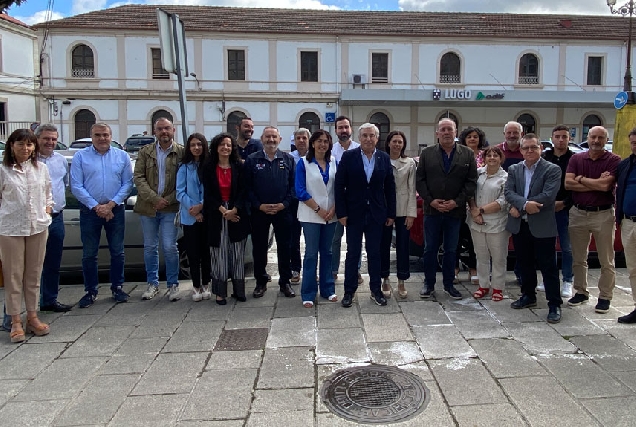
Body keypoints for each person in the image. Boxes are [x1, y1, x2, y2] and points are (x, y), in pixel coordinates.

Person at [70, 123, 133, 308]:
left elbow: (127, 184)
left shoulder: (122, 156)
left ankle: (118, 288)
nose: (102, 138)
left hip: (116, 209)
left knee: (118, 251)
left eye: (105, 135)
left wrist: (111, 205)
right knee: (89, 254)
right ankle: (90, 291)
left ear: (111, 136)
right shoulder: (80, 157)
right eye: (97, 135)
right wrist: (97, 206)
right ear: (92, 137)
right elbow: (76, 186)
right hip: (90, 211)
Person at [335, 123, 396, 308]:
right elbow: (339, 186)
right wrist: (342, 212)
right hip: (354, 213)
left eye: (372, 136)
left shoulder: (384, 158)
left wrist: (391, 213)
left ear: (377, 138)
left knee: (375, 253)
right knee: (353, 253)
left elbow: (390, 188)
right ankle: (349, 291)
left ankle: (375, 291)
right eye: (365, 136)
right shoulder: (349, 156)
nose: (368, 139)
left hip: (377, 213)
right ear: (359, 138)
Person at [0, 129, 52, 342]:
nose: (25, 148)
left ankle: (32, 316)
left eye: (29, 145)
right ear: (11, 146)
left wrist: (47, 211)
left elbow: (48, 194)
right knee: (13, 277)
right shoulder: (3, 170)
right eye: (21, 144)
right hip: (11, 228)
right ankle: (15, 322)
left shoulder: (41, 169)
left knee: (33, 275)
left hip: (37, 226)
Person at [416, 118, 477, 300]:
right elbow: (420, 180)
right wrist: (431, 200)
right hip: (432, 210)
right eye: (442, 129)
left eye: (449, 129)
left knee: (451, 250)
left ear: (456, 132)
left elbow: (471, 182)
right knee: (430, 249)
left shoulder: (467, 154)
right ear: (437, 133)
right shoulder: (427, 153)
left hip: (455, 211)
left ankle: (449, 284)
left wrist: (456, 202)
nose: (446, 132)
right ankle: (429, 284)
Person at [505, 134, 563, 323]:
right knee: (524, 263)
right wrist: (524, 205)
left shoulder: (552, 169)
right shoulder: (514, 169)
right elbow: (508, 192)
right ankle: (528, 295)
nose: (529, 151)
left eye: (533, 147)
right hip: (521, 224)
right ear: (521, 150)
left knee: (548, 266)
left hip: (542, 225)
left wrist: (526, 205)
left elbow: (548, 194)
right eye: (526, 148)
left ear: (540, 149)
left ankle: (554, 304)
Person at [565, 126, 621, 314]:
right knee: (579, 258)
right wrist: (595, 182)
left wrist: (581, 179)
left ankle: (605, 297)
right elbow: (568, 183)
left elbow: (606, 187)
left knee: (606, 259)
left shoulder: (614, 160)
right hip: (578, 213)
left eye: (600, 137)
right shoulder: (576, 158)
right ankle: (580, 291)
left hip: (603, 214)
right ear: (587, 138)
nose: (596, 141)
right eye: (593, 137)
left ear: (606, 140)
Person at [134, 117, 185, 302]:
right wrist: (155, 199)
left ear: (173, 130)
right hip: (148, 208)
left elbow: (183, 181)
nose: (164, 132)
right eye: (160, 129)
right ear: (154, 131)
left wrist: (167, 200)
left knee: (170, 247)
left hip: (170, 208)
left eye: (167, 128)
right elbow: (138, 177)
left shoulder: (181, 152)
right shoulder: (145, 152)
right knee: (150, 247)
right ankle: (152, 284)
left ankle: (173, 285)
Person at [244, 126, 296, 298]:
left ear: (280, 140)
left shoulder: (288, 159)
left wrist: (284, 204)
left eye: (274, 137)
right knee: (259, 247)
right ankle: (261, 281)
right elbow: (247, 188)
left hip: (283, 211)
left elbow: (293, 187)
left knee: (285, 247)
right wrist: (259, 205)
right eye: (268, 137)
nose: (271, 140)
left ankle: (285, 282)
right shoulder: (252, 160)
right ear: (262, 139)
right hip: (260, 211)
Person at [203, 132, 251, 304]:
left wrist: (234, 209)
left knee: (237, 253)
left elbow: (245, 190)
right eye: (222, 144)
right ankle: (220, 292)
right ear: (216, 147)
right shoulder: (208, 167)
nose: (226, 147)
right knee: (219, 254)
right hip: (217, 213)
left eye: (229, 145)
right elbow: (208, 193)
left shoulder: (239, 166)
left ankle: (239, 291)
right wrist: (224, 210)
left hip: (237, 212)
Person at [295, 129, 338, 307]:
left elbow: (339, 188)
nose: (322, 144)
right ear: (312, 143)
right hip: (311, 215)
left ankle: (328, 289)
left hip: (331, 215)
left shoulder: (334, 161)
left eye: (326, 141)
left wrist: (334, 208)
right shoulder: (303, 163)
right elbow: (299, 190)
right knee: (311, 254)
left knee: (327, 252)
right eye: (319, 141)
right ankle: (308, 292)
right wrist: (319, 209)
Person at [35, 124, 73, 312]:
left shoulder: (60, 160)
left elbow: (63, 185)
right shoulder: (29, 160)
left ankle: (49, 300)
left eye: (53, 139)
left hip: (56, 217)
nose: (50, 142)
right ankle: (21, 309)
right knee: (28, 266)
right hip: (34, 219)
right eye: (46, 138)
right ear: (37, 139)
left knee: (53, 261)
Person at [468, 146, 509, 302]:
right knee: (481, 255)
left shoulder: (505, 177)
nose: (492, 158)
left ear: (501, 158)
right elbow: (469, 192)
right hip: (476, 221)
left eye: (495, 155)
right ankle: (483, 285)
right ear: (484, 158)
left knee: (498, 257)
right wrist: (474, 211)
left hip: (497, 223)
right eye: (489, 155)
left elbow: (503, 201)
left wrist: (481, 211)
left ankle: (498, 288)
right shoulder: (478, 174)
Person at [380, 130, 416, 299]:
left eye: (400, 142)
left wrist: (411, 214)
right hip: (385, 209)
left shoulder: (409, 163)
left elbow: (412, 189)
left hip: (403, 208)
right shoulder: (381, 159)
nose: (396, 144)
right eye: (394, 141)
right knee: (383, 245)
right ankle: (385, 278)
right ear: (388, 143)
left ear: (403, 145)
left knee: (403, 246)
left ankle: (402, 280)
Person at [539, 125, 575, 298]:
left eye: (564, 137)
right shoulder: (544, 157)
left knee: (567, 248)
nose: (561, 140)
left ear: (569, 139)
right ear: (552, 138)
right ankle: (548, 279)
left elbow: (576, 187)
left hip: (566, 209)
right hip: (546, 209)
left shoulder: (575, 159)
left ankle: (568, 280)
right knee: (547, 247)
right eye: (557, 136)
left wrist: (565, 203)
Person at [176, 133, 211, 302]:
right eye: (193, 145)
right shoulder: (184, 167)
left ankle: (206, 283)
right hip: (189, 216)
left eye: (199, 144)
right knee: (193, 253)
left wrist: (202, 206)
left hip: (207, 215)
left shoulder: (210, 166)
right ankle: (196, 285)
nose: (196, 148)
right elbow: (179, 192)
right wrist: (194, 210)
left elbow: (212, 190)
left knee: (206, 252)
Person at [330, 115, 363, 284]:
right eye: (340, 127)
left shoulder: (360, 149)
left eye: (346, 127)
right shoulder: (331, 152)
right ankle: (333, 270)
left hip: (355, 203)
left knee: (355, 240)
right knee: (335, 239)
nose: (343, 130)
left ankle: (356, 270)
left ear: (351, 129)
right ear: (335, 130)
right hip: (336, 203)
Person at [455, 126, 487, 284]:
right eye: (469, 137)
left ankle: (474, 268)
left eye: (475, 136)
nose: (473, 139)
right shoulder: (458, 155)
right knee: (457, 237)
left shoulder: (486, 155)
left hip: (479, 203)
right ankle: (455, 268)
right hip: (461, 202)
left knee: (475, 239)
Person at [616, 127, 636, 323]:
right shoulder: (625, 165)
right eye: (633, 142)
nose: (634, 146)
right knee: (633, 268)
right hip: (629, 222)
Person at [289, 128, 310, 285]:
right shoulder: (289, 158)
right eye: (298, 138)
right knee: (293, 239)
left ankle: (311, 271)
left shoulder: (314, 157)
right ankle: (295, 269)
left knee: (312, 240)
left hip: (311, 203)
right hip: (294, 203)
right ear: (294, 141)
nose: (301, 140)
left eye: (304, 138)